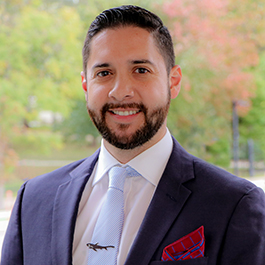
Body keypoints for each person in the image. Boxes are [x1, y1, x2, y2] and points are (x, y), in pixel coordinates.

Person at [1, 5, 265, 265]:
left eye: (141, 70)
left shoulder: (234, 205)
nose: (120, 91)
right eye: (104, 73)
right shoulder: (32, 202)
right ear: (85, 85)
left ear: (173, 82)